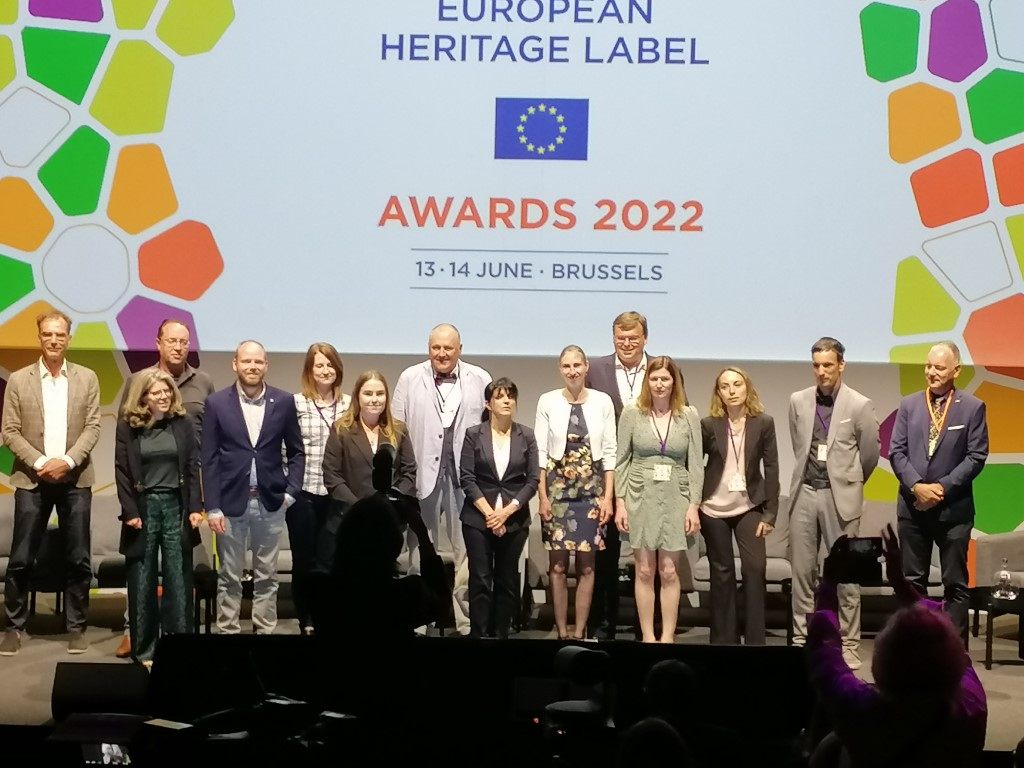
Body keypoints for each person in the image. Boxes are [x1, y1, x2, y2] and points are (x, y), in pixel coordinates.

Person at [807, 525, 987, 767]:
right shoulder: (972, 705)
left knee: (828, 746)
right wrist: (900, 583)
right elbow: (946, 631)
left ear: (883, 665)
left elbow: (824, 652)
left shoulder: (861, 708)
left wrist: (829, 585)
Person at [1, 311, 101, 656]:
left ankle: (76, 627)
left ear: (69, 338)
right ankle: (14, 627)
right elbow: (9, 431)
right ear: (39, 337)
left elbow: (93, 427)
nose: (54, 340)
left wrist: (67, 461)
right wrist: (42, 463)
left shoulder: (87, 377)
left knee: (78, 557)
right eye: (48, 334)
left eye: (60, 334)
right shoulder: (19, 379)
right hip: (32, 479)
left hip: (76, 478)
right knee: (21, 557)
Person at [115, 318, 214, 659]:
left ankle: (179, 651)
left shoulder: (183, 421)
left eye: (166, 392)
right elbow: (122, 469)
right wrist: (129, 511)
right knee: (142, 580)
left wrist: (197, 507)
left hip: (177, 506)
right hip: (143, 509)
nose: (161, 395)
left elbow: (192, 464)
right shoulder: (129, 424)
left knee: (178, 580)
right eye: (155, 392)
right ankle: (143, 650)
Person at [392, 323, 491, 635]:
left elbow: (489, 431)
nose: (442, 353)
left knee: (468, 552)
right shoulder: (409, 378)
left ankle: (466, 622)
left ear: (460, 349)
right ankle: (419, 620)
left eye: (448, 347)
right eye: (436, 347)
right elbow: (396, 430)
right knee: (420, 549)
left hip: (466, 479)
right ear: (428, 348)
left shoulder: (480, 378)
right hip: (422, 478)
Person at [201, 340, 304, 635]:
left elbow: (297, 452)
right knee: (229, 576)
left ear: (266, 365)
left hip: (271, 503)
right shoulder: (216, 403)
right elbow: (209, 458)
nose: (252, 366)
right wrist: (212, 506)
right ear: (235, 364)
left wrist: (290, 493)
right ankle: (228, 633)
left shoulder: (283, 401)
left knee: (267, 577)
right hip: (229, 504)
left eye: (258, 361)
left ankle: (264, 632)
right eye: (246, 361)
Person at [788, 337, 879, 669]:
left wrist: (848, 482)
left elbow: (870, 454)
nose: (821, 371)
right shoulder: (798, 400)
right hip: (804, 492)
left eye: (828, 365)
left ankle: (849, 643)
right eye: (816, 365)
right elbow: (799, 445)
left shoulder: (859, 404)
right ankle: (802, 640)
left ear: (841, 365)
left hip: (840, 497)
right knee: (802, 573)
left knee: (846, 577)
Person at [888, 341, 988, 641]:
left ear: (956, 370)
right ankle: (912, 646)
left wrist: (941, 489)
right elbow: (896, 452)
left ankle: (954, 653)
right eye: (928, 366)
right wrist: (917, 487)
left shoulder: (972, 407)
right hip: (913, 508)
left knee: (955, 583)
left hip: (953, 511)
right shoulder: (909, 405)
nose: (931, 372)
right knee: (912, 583)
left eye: (939, 367)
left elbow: (976, 456)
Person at [614, 357, 701, 643]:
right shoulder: (632, 412)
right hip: (640, 493)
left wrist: (694, 505)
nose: (659, 384)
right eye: (654, 379)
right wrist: (620, 502)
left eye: (665, 379)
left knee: (669, 570)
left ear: (674, 382)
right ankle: (648, 637)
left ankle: (667, 637)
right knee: (644, 570)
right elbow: (622, 460)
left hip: (676, 495)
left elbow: (695, 464)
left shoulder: (688, 415)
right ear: (646, 382)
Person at [536, 345, 616, 640]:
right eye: (567, 366)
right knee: (557, 565)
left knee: (587, 567)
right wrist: (542, 497)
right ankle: (561, 631)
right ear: (560, 369)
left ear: (586, 367)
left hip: (591, 491)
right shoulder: (547, 400)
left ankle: (580, 631)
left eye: (577, 365)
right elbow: (540, 453)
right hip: (557, 490)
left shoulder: (602, 401)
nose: (572, 371)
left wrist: (608, 498)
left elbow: (610, 452)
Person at [700, 367, 780, 645]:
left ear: (747, 388)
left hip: (750, 506)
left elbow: (772, 468)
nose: (732, 391)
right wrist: (692, 504)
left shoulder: (764, 422)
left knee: (755, 569)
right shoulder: (709, 425)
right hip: (713, 508)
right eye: (725, 386)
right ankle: (724, 642)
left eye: (737, 384)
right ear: (719, 393)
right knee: (722, 573)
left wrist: (770, 513)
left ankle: (755, 642)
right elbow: (695, 465)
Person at [584, 310, 651, 639]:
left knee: (647, 554)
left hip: (649, 475)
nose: (627, 343)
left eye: (633, 338)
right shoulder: (595, 369)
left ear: (645, 339)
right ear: (613, 338)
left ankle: (645, 628)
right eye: (621, 338)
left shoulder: (660, 369)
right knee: (605, 553)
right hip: (605, 475)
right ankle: (603, 626)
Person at [459, 377, 539, 638]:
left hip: (514, 519)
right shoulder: (474, 434)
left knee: (507, 580)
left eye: (511, 396)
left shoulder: (526, 435)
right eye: (500, 396)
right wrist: (490, 514)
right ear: (488, 403)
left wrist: (506, 512)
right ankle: (479, 635)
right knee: (480, 579)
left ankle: (501, 636)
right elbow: (467, 478)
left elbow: (532, 480)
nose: (507, 401)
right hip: (477, 518)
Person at [322, 370, 417, 573]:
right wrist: (360, 508)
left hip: (388, 523)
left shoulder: (399, 429)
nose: (374, 399)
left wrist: (390, 504)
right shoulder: (341, 429)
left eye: (380, 394)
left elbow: (409, 472)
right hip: (349, 520)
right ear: (357, 396)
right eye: (368, 393)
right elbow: (332, 475)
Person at [290, 342, 351, 635]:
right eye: (319, 365)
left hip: (339, 494)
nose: (325, 370)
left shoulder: (350, 405)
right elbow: (285, 448)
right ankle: (306, 619)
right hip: (304, 492)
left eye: (330, 365)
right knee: (304, 560)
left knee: (334, 559)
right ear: (309, 370)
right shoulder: (296, 404)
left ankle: (331, 617)